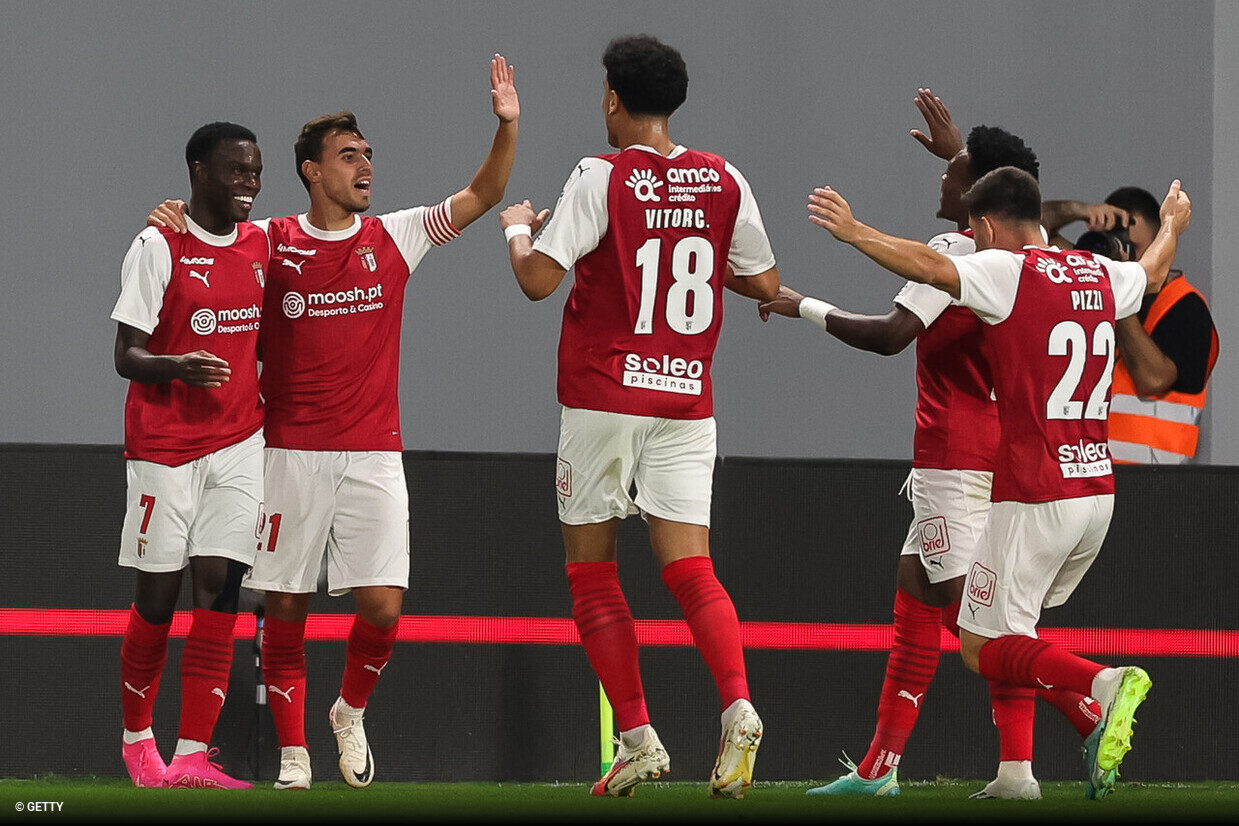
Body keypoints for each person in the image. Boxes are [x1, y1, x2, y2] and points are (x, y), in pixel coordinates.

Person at [149, 55, 520, 790]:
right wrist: (173, 218)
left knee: (381, 608)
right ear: (312, 171)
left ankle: (348, 711)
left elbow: (484, 194)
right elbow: (211, 238)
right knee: (285, 605)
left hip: (374, 455)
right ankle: (293, 757)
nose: (366, 167)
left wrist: (506, 125)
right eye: (349, 156)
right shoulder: (271, 241)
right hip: (287, 454)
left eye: (370, 156)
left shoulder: (395, 237)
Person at [808, 166, 1191, 801]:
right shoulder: (1096, 273)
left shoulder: (1009, 270)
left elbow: (928, 269)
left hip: (1034, 492)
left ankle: (1100, 687)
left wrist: (854, 233)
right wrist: (1173, 222)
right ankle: (1015, 776)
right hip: (1097, 492)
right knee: (997, 622)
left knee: (984, 644)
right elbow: (1151, 273)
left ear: (986, 227)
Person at [761, 91, 1102, 800]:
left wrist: (804, 307)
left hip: (955, 460)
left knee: (980, 630)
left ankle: (1083, 696)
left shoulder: (955, 254)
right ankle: (890, 771)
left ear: (980, 203)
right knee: (916, 596)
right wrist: (958, 151)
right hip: (995, 457)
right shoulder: (1044, 261)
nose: (943, 185)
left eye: (954, 178)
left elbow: (890, 336)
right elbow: (1005, 202)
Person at [497, 34, 778, 799]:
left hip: (603, 397)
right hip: (686, 399)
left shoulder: (599, 175)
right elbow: (762, 279)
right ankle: (738, 705)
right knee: (691, 569)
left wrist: (518, 226)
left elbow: (536, 282)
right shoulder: (724, 177)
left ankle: (639, 738)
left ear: (613, 100)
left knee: (591, 574)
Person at [113, 121, 268, 789]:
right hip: (164, 448)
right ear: (199, 171)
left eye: (255, 173)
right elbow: (125, 356)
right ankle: (136, 741)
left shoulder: (264, 243)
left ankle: (194, 754)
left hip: (240, 442)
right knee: (157, 595)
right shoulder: (158, 244)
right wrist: (176, 365)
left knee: (220, 590)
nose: (249, 185)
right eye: (236, 171)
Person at [1042, 187, 1219, 464]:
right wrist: (1080, 209)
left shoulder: (1185, 305)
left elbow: (1153, 379)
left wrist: (1118, 290)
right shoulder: (1097, 279)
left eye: (1129, 242)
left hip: (1158, 485)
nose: (1123, 250)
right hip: (1090, 471)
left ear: (1160, 239)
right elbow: (1036, 229)